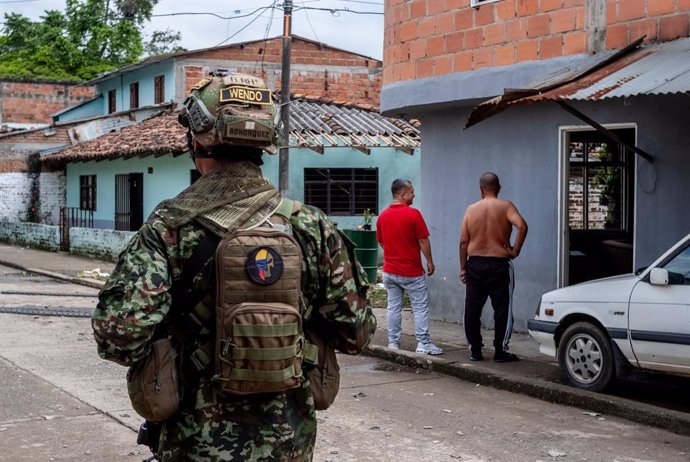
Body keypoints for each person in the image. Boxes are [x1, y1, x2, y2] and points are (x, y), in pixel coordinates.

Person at [92, 73, 376, 461]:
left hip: (194, 445)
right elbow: (356, 333)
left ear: (196, 138)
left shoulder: (169, 228)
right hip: (289, 444)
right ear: (267, 142)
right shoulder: (311, 227)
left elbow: (118, 336)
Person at [459, 172, 528, 363]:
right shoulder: (506, 206)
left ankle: (475, 350)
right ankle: (500, 351)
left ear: (481, 190)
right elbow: (522, 226)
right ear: (498, 188)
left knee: (472, 309)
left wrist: (463, 267)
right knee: (502, 309)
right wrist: (515, 250)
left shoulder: (471, 209)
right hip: (499, 263)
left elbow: (464, 241)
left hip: (475, 264)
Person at [376, 179, 443, 355]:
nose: (414, 195)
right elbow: (422, 240)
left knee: (393, 307)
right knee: (420, 307)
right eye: (412, 192)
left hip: (389, 271)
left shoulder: (382, 216)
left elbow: (381, 242)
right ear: (403, 194)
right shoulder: (413, 214)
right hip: (411, 271)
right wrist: (429, 261)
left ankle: (393, 342)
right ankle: (423, 343)